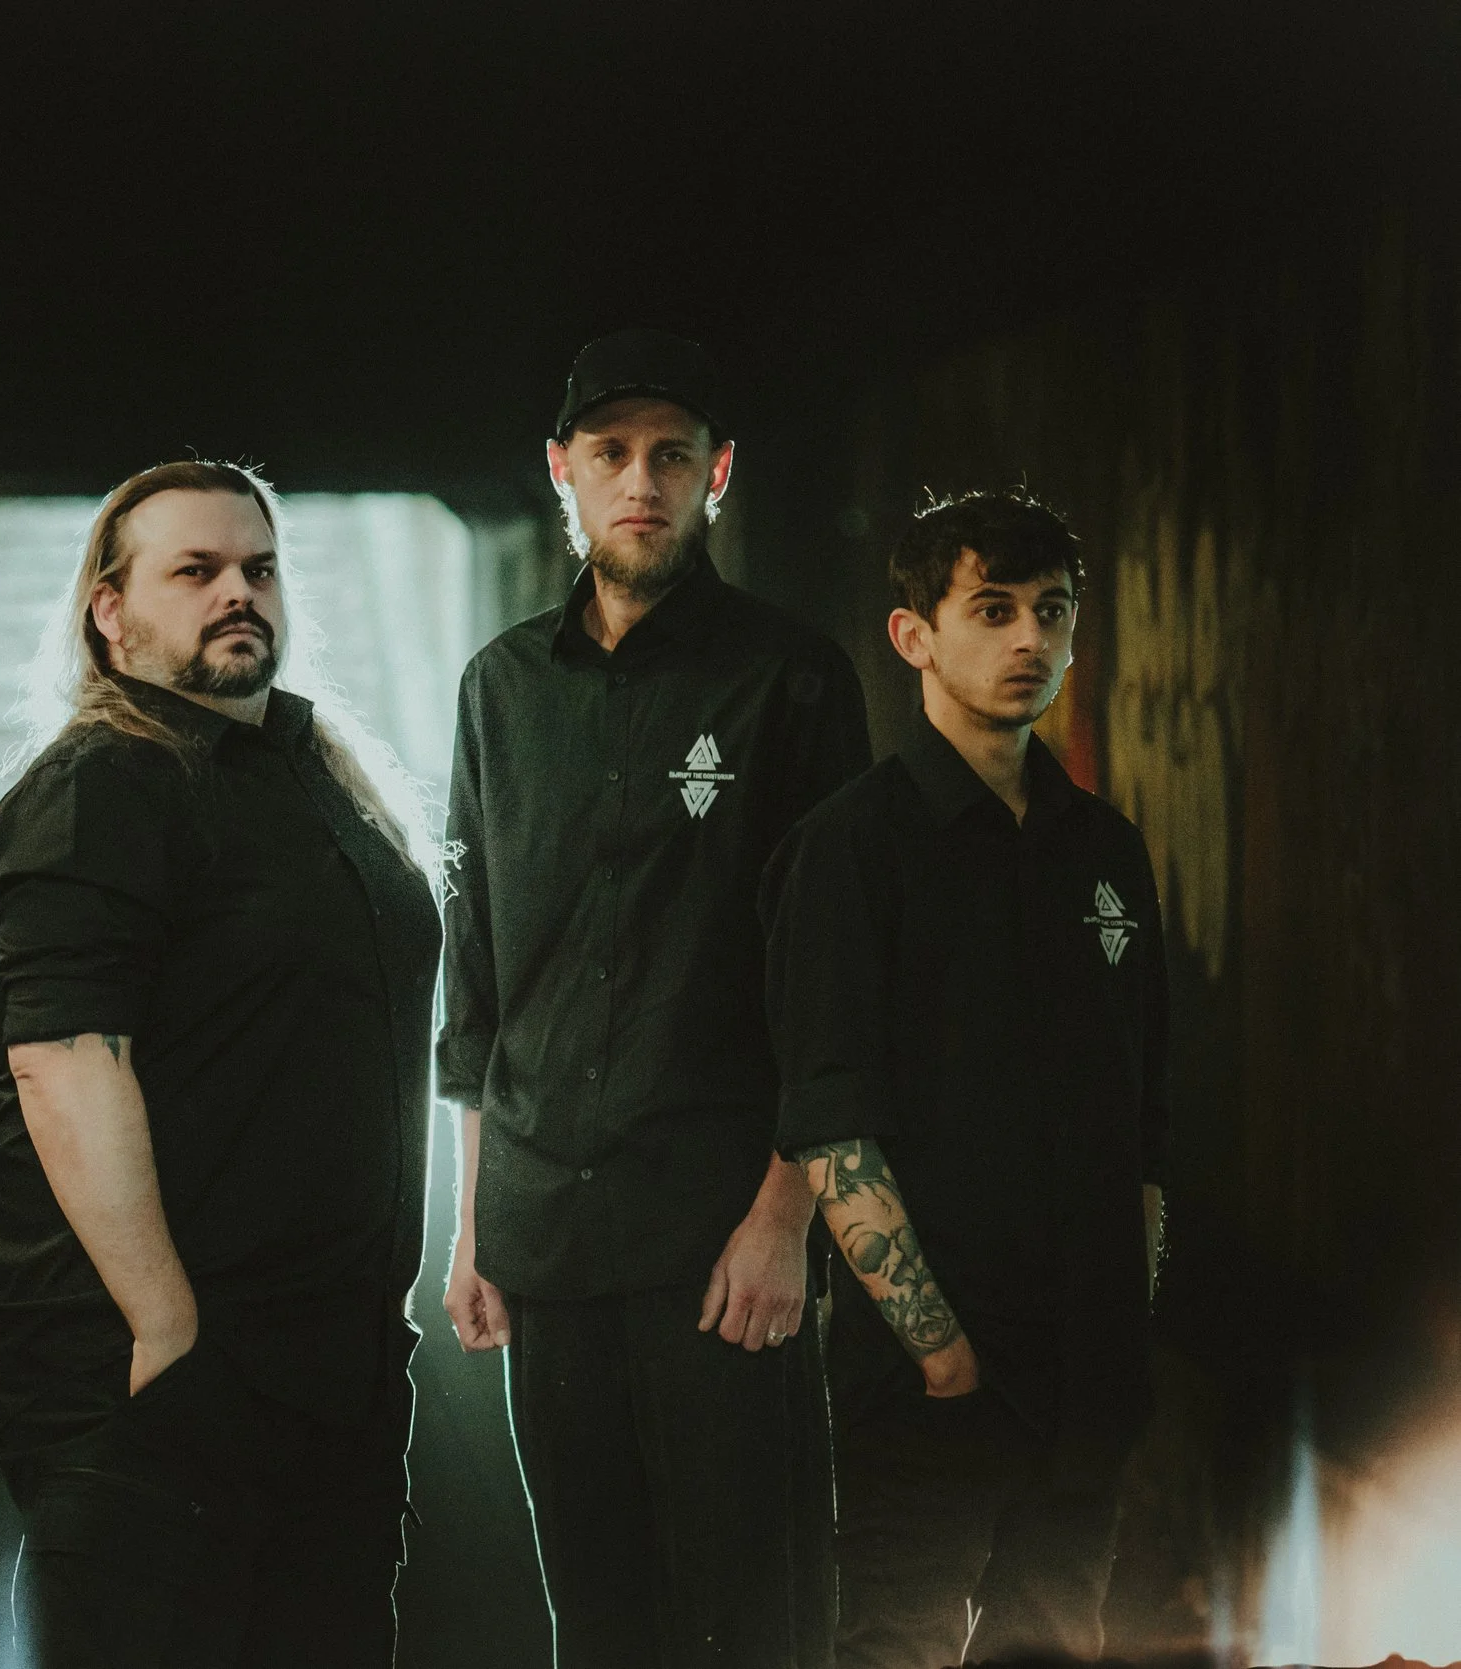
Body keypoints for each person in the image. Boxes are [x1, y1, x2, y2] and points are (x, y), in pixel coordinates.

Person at [0, 461, 441, 1668]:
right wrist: (165, 1326)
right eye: (196, 571)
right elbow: (64, 1065)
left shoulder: (306, 773)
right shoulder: (102, 784)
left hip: (318, 1376)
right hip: (161, 1386)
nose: (239, 593)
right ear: (109, 613)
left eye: (258, 569)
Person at [438, 328, 869, 1666]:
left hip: (720, 1247)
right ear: (559, 470)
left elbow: (838, 983)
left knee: (751, 1624)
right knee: (600, 1620)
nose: (641, 481)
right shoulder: (500, 688)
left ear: (716, 474)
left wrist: (785, 1221)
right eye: (611, 452)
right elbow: (478, 973)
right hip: (547, 1240)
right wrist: (473, 1222)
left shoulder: (793, 679)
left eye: (671, 456)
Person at [762, 490, 1169, 1667]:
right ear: (915, 636)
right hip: (928, 1388)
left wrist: (1123, 1322)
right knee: (898, 1643)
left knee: (1058, 1642)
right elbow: (831, 1124)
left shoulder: (1106, 849)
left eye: (1053, 610)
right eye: (992, 609)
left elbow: (1145, 1117)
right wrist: (939, 1354)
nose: (1029, 638)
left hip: (1084, 1381)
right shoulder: (850, 849)